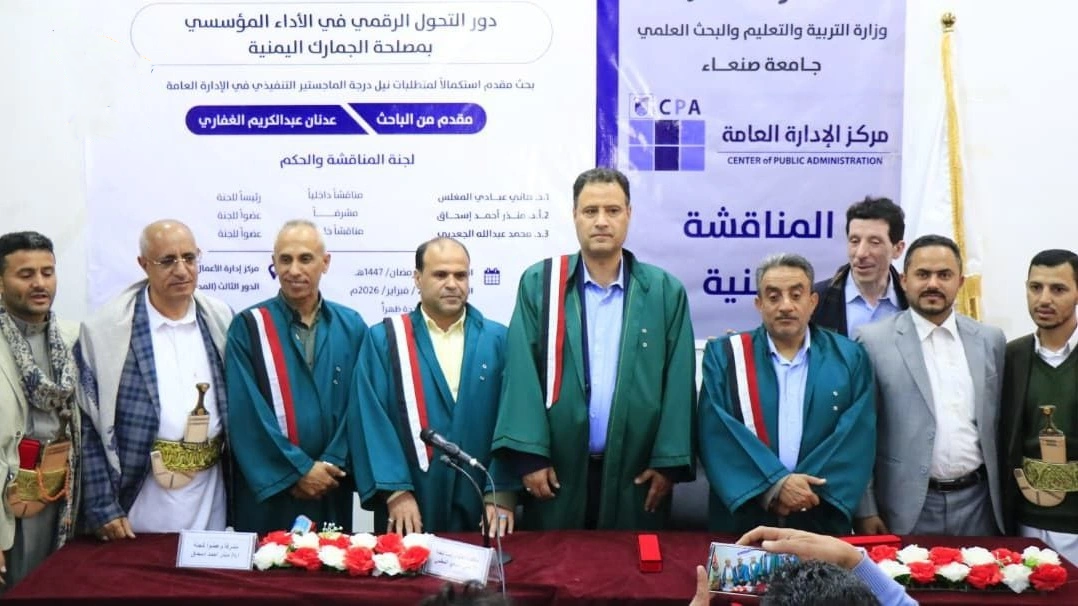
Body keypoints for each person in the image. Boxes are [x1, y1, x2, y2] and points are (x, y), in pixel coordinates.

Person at [490, 167, 697, 530]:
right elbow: (521, 372)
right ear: (574, 215)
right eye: (590, 211)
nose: (601, 221)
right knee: (556, 560)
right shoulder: (541, 284)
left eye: (612, 210)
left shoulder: (664, 292)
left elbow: (679, 382)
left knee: (631, 562)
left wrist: (668, 464)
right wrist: (529, 457)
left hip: (636, 473)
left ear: (629, 214)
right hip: (556, 472)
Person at [698, 253, 875, 534]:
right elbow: (716, 432)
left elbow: (856, 436)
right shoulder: (726, 356)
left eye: (796, 295)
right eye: (773, 296)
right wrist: (776, 485)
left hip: (818, 512)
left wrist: (801, 491)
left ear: (812, 302)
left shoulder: (849, 357)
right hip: (746, 515)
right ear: (758, 304)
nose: (785, 306)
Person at [77, 220, 232, 541]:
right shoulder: (107, 332)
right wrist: (102, 505)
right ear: (143, 264)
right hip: (139, 504)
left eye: (189, 258)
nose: (181, 270)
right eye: (167, 261)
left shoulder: (221, 319)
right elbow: (86, 424)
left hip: (211, 498)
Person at [349, 237, 508, 535]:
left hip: (481, 500)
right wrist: (395, 491)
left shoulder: (498, 340)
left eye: (460, 275)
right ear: (417, 278)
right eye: (440, 275)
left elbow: (512, 422)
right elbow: (368, 419)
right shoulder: (384, 341)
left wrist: (501, 492)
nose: (452, 284)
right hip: (411, 502)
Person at [855, 235, 1005, 536]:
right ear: (904, 280)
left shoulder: (990, 340)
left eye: (944, 275)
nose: (933, 284)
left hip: (979, 505)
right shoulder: (873, 341)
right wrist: (866, 508)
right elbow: (860, 432)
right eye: (923, 274)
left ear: (960, 282)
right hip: (905, 507)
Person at [226, 220, 366, 533]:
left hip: (331, 485)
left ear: (325, 262)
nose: (294, 270)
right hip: (272, 490)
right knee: (268, 559)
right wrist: (298, 471)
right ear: (273, 263)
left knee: (332, 560)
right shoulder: (249, 327)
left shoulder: (351, 326)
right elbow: (245, 413)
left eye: (305, 259)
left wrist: (331, 463)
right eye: (285, 259)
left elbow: (360, 405)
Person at [0, 232, 79, 589]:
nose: (40, 283)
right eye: (26, 274)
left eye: (47, 272)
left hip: (63, 502)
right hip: (9, 506)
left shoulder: (73, 338)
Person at [1001, 249, 1078, 563]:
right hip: (1024, 521)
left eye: (1058, 289)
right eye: (1036, 287)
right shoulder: (1011, 356)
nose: (1044, 299)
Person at [812, 197, 908, 337]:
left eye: (874, 242)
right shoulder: (815, 300)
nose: (861, 253)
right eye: (854, 241)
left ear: (898, 249)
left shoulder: (911, 300)